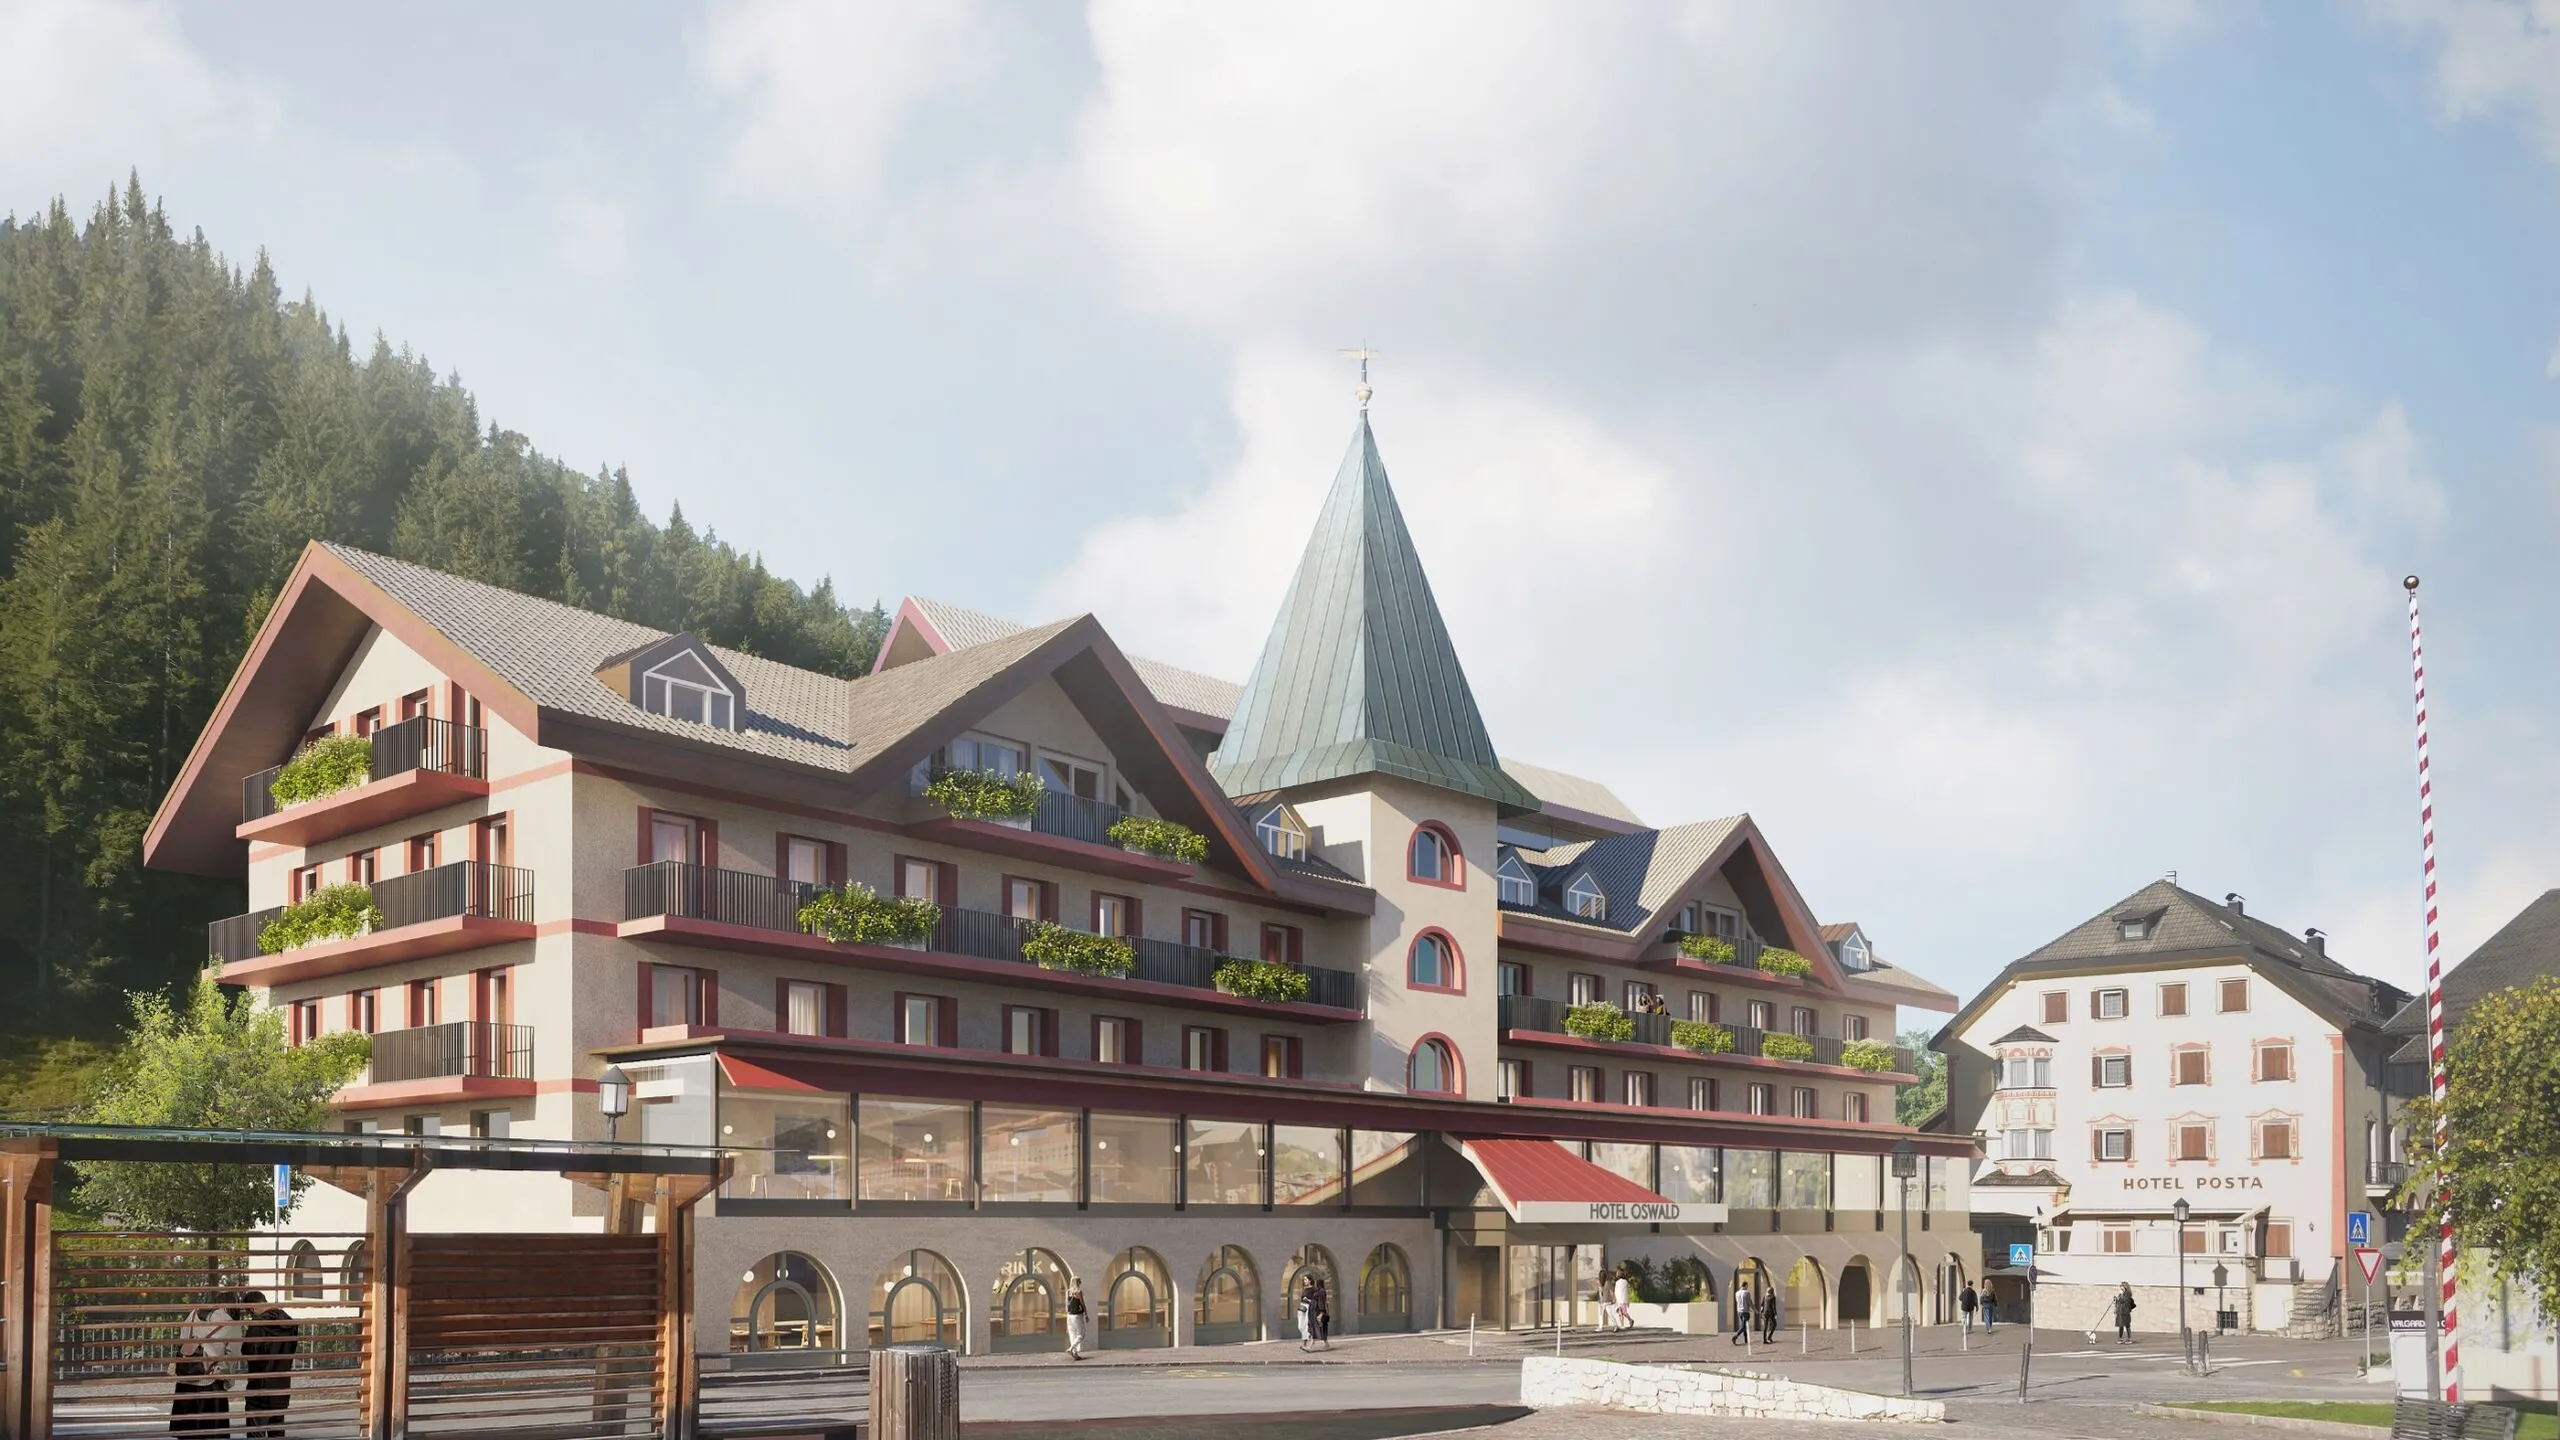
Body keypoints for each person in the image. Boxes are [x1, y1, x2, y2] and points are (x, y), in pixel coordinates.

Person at [172, 1301, 245, 1434]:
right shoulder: (230, 1323)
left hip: (185, 1380)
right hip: (211, 1382)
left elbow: (183, 1340)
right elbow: (233, 1355)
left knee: (186, 1433)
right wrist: (227, 1379)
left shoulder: (193, 1313)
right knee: (211, 1432)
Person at [238, 1291, 298, 1439]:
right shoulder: (290, 1323)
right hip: (282, 1389)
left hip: (260, 1390)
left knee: (256, 1434)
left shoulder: (257, 1326)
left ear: (251, 1308)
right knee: (277, 1433)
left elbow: (248, 1352)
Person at [1064, 1278, 1090, 1360]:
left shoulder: (1068, 1292)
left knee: (1072, 1334)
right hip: (1077, 1315)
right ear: (1077, 1282)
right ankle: (1071, 1348)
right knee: (1081, 1334)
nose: (1080, 1283)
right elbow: (1082, 1304)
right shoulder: (1078, 1292)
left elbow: (1066, 1307)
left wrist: (1067, 1316)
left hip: (1069, 1315)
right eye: (1079, 1281)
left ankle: (1075, 1354)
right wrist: (1086, 1314)